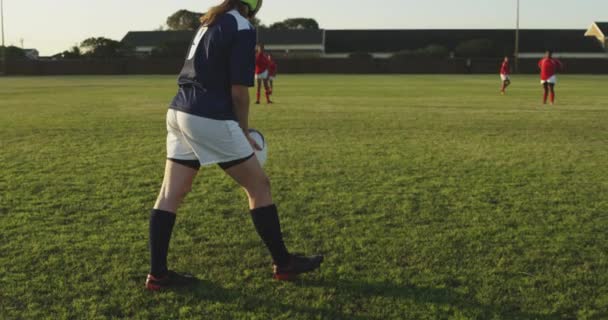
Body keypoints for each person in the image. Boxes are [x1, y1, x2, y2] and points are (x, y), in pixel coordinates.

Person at [145, 0, 323, 291]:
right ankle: (284, 263)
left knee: (170, 194)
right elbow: (239, 92)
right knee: (259, 186)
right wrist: (243, 132)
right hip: (208, 115)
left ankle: (158, 275)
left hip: (178, 111)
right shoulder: (241, 25)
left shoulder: (210, 20)